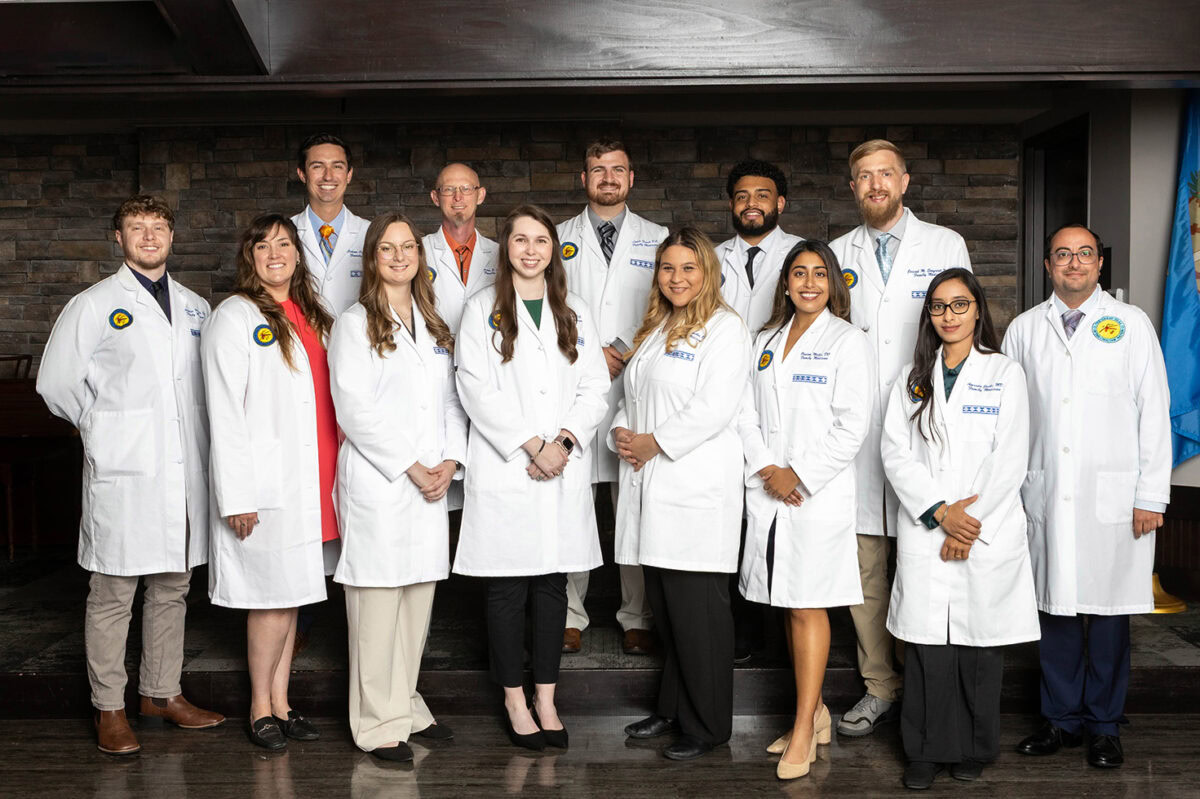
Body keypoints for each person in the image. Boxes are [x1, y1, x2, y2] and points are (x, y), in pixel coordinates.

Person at [37, 195, 224, 755]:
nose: (148, 236)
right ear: (117, 238)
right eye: (136, 227)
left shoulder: (196, 308)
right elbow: (55, 384)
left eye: (158, 226)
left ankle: (161, 694)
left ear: (172, 236)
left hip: (181, 471)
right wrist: (102, 427)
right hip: (125, 470)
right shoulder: (94, 304)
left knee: (172, 587)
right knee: (114, 591)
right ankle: (109, 707)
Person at [1003, 224, 1171, 769]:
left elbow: (1154, 411)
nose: (1074, 263)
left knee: (1108, 616)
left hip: (1114, 499)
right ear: (1047, 265)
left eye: (1084, 254)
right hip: (1046, 491)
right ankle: (1060, 720)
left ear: (1100, 264)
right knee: (1054, 613)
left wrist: (1151, 495)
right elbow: (1009, 419)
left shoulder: (1131, 324)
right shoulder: (1025, 330)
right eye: (1062, 254)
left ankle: (1103, 725)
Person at [829, 139, 973, 736]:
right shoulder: (837, 253)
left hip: (924, 428)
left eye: (885, 173)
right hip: (859, 434)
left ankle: (926, 686)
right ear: (853, 188)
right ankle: (879, 687)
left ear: (905, 181)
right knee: (865, 570)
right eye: (864, 176)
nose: (876, 184)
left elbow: (960, 326)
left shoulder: (944, 244)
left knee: (921, 563)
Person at [453, 204, 610, 751]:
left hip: (559, 466)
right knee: (505, 588)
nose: (530, 250)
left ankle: (546, 697)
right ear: (507, 248)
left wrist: (562, 443)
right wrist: (532, 444)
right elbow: (474, 387)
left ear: (553, 249)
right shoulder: (481, 310)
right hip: (509, 467)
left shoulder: (575, 310)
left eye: (540, 240)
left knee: (550, 587)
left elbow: (595, 386)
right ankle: (514, 699)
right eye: (520, 240)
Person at [881, 268, 1039, 789]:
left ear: (977, 309)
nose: (948, 315)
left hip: (982, 529)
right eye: (938, 306)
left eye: (959, 304)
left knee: (978, 646)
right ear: (929, 314)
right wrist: (938, 512)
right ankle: (924, 752)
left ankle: (974, 747)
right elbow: (895, 453)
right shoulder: (912, 378)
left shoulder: (1004, 373)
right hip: (930, 525)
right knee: (927, 647)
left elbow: (1010, 458)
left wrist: (964, 525)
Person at [327, 212, 467, 762]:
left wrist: (451, 461)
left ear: (419, 256)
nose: (399, 256)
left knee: (416, 600)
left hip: (430, 481)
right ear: (372, 258)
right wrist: (411, 466)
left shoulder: (433, 323)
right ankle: (376, 722)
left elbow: (453, 399)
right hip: (382, 481)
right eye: (387, 248)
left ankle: (406, 704)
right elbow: (354, 408)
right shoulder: (354, 323)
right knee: (377, 605)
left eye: (408, 247)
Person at [613, 226, 751, 761]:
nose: (677, 278)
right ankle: (672, 708)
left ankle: (707, 726)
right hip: (652, 488)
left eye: (688, 268)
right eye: (668, 268)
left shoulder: (725, 329)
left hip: (695, 493)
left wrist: (654, 443)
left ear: (707, 273)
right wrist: (621, 433)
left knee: (700, 621)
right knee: (670, 615)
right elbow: (631, 397)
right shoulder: (657, 326)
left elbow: (714, 407)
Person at [203, 213, 338, 750]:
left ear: (298, 254)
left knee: (294, 594)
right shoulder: (234, 316)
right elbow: (224, 410)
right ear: (250, 257)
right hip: (267, 482)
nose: (275, 254)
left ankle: (282, 703)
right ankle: (260, 707)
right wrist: (237, 494)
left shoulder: (311, 313)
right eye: (263, 246)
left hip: (313, 474)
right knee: (271, 598)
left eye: (284, 244)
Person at [738, 240, 871, 779]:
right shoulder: (765, 339)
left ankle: (803, 728)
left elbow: (852, 425)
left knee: (807, 605)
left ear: (833, 283)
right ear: (786, 282)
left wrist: (799, 473)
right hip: (770, 490)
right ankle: (815, 714)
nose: (809, 283)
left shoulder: (848, 341)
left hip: (816, 494)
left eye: (819, 273)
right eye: (799, 273)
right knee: (787, 604)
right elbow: (744, 411)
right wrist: (768, 467)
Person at [557, 138, 668, 656]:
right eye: (598, 169)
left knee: (633, 505)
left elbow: (667, 305)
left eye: (617, 169)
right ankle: (568, 614)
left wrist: (619, 350)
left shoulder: (659, 239)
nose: (608, 177)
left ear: (631, 178)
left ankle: (636, 615)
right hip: (574, 387)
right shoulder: (557, 238)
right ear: (584, 178)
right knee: (571, 504)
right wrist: (589, 356)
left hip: (635, 386)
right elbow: (549, 307)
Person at [715, 159, 803, 662]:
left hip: (781, 406)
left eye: (763, 195)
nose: (752, 204)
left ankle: (780, 639)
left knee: (778, 523)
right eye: (742, 195)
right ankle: (739, 634)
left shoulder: (803, 256)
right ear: (732, 204)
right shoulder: (711, 259)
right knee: (732, 523)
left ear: (780, 203)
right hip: (724, 406)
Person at [291, 133, 369, 315]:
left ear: (349, 174)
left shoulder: (371, 233)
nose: (328, 176)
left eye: (337, 166)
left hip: (357, 332)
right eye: (317, 166)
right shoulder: (284, 233)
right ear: (302, 174)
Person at [422, 162, 500, 334]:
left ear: (480, 195)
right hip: (434, 348)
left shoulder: (501, 255)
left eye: (466, 188)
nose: (458, 197)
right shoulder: (416, 252)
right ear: (435, 198)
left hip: (488, 349)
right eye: (448, 189)